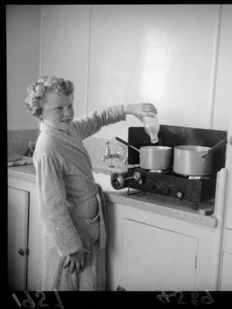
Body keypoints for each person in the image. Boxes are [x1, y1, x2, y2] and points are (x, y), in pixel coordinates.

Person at [25, 76, 157, 291]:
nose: (68, 113)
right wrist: (71, 248)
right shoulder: (48, 148)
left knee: (89, 282)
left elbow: (98, 118)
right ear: (40, 112)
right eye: (59, 108)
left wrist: (129, 109)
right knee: (65, 284)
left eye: (70, 105)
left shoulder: (69, 130)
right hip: (69, 240)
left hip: (86, 229)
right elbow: (51, 208)